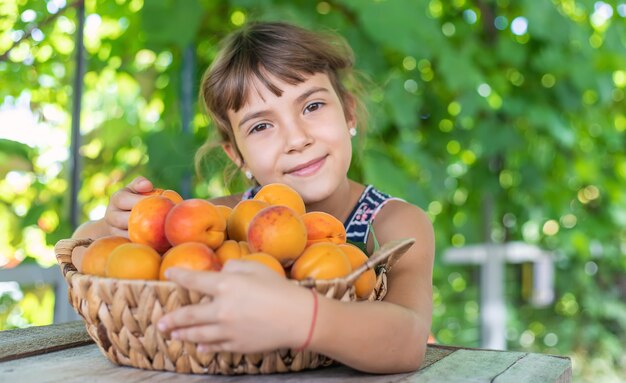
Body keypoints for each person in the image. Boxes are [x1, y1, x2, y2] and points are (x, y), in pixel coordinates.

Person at [72, 21, 434, 374]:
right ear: (237, 155)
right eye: (261, 126)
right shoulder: (227, 220)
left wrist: (299, 316)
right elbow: (81, 247)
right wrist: (115, 223)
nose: (296, 139)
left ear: (349, 112)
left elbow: (408, 341)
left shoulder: (391, 224)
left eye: (312, 106)